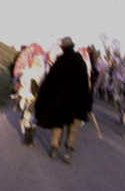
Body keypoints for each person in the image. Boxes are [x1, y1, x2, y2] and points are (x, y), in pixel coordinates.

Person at [34, 36, 93, 164]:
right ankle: (67, 154)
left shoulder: (60, 61)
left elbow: (49, 81)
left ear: (63, 49)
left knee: (58, 124)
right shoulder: (80, 61)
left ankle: (54, 148)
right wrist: (87, 104)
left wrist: (42, 96)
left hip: (61, 101)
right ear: (72, 47)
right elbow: (85, 84)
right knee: (73, 128)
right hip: (76, 103)